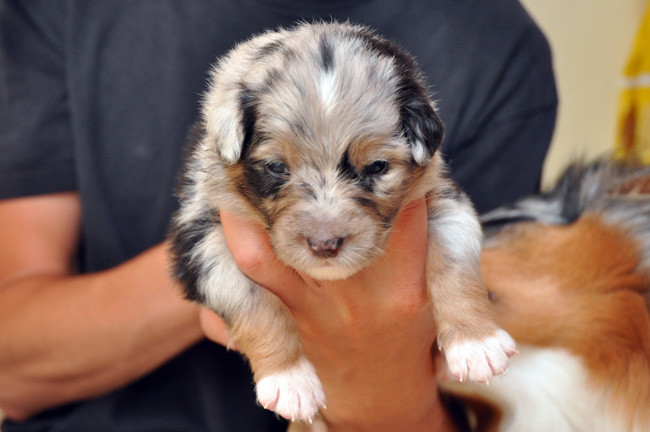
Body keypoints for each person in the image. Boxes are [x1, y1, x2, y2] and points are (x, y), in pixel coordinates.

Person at [0, 1, 557, 431]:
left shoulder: (496, 47)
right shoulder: (65, 11)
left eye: (374, 169)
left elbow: (482, 397)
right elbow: (12, 362)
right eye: (275, 168)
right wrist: (245, 271)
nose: (325, 228)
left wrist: (388, 369)